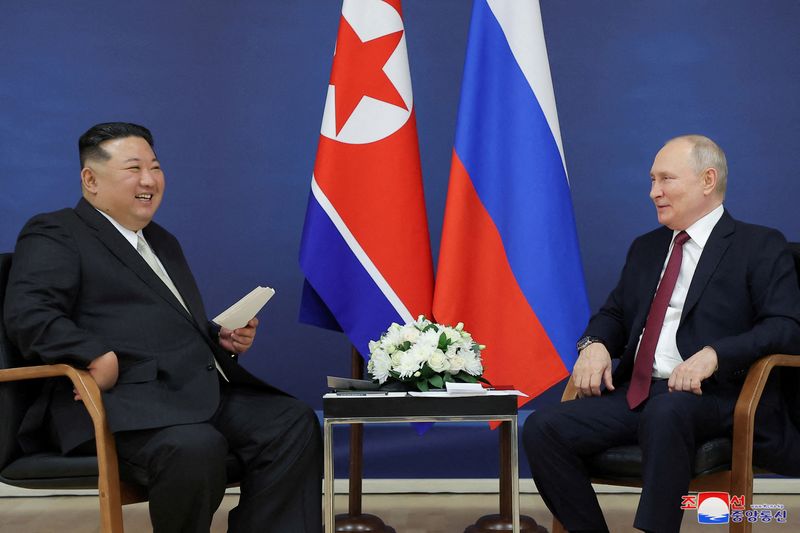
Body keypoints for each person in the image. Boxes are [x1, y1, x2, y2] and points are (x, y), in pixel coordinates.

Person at [4, 122, 322, 533]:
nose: (149, 180)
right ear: (90, 180)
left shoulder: (161, 240)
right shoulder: (56, 232)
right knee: (194, 446)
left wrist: (217, 339)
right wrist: (91, 354)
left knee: (291, 421)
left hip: (187, 394)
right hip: (121, 406)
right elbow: (29, 315)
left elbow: (156, 327)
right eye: (133, 168)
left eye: (155, 167)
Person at [523, 135, 800, 533]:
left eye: (666, 179)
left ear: (708, 180)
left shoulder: (759, 246)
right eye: (652, 180)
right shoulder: (647, 248)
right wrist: (595, 344)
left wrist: (715, 355)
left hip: (717, 396)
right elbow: (614, 314)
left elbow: (786, 328)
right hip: (639, 393)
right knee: (543, 428)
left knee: (666, 411)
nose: (654, 192)